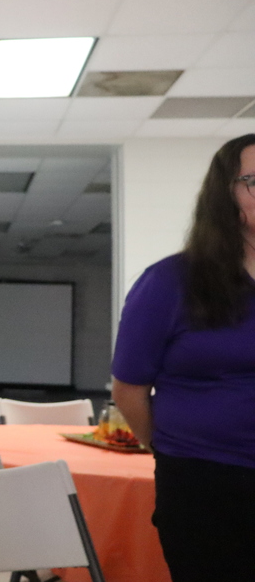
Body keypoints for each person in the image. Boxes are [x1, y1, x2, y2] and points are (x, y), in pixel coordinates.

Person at [112, 133, 255, 581]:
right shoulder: (170, 282)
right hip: (205, 483)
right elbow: (129, 389)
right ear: (225, 194)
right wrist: (171, 449)